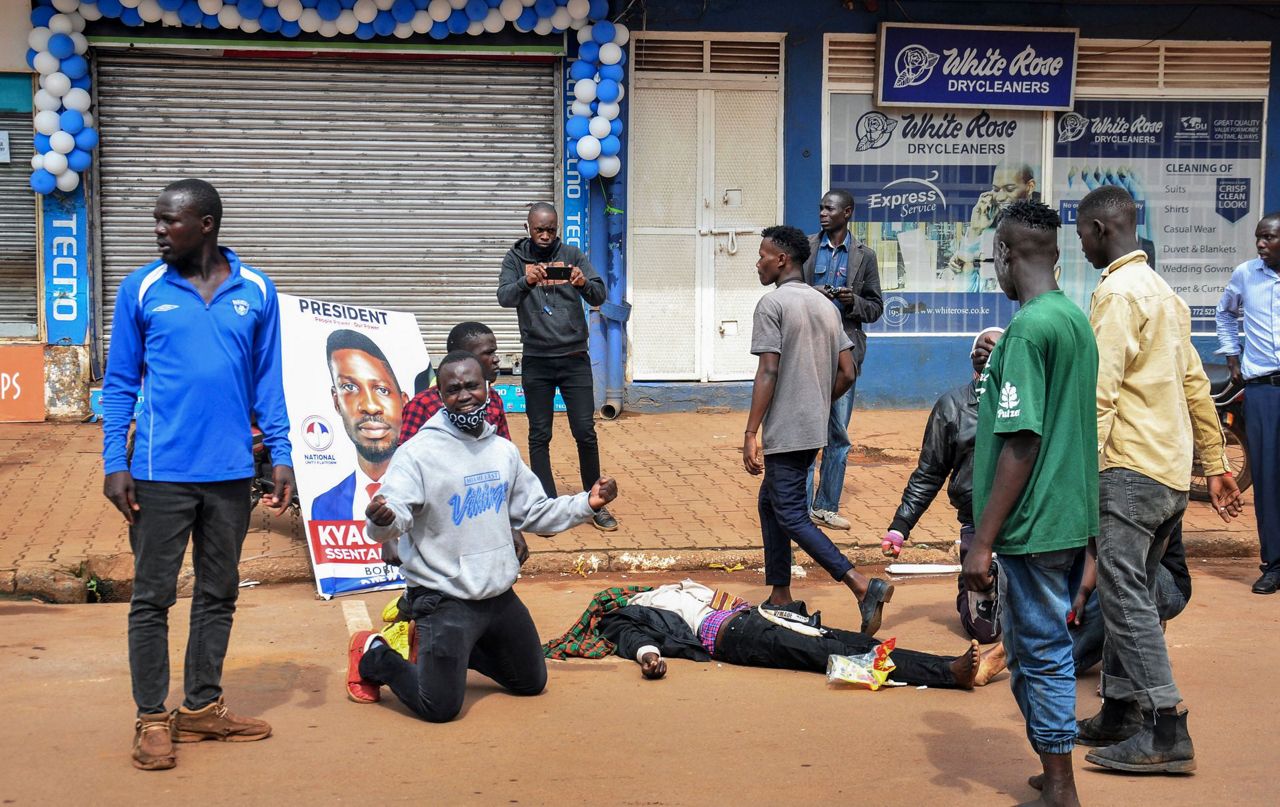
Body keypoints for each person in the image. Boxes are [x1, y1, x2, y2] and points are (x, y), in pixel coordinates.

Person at [101, 179, 295, 771]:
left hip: (232, 473)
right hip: (158, 472)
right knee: (152, 598)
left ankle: (202, 708)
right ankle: (152, 718)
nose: (158, 231)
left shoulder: (257, 290)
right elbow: (119, 385)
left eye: (169, 221)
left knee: (219, 593)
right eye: (157, 220)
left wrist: (281, 453)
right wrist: (115, 462)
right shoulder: (143, 288)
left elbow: (268, 380)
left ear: (205, 224)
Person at [344, 351, 618, 723]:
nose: (465, 395)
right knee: (439, 707)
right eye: (453, 389)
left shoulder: (502, 450)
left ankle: (453, 653)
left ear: (487, 386)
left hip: (497, 596)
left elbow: (534, 512)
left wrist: (587, 503)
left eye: (472, 385)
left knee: (530, 682)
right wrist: (382, 521)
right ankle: (373, 654)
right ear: (440, 395)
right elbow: (395, 516)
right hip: (444, 598)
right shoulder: (417, 455)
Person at [1073, 185, 1240, 775]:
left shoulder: (1116, 294)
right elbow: (1198, 384)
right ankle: (1119, 709)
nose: (1081, 246)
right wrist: (1215, 465)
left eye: (1081, 234)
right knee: (1133, 594)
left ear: (1098, 229)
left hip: (1127, 470)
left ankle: (1166, 727)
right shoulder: (1166, 294)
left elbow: (1099, 394)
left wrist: (1077, 476)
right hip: (1167, 474)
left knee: (1124, 600)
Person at [962, 200, 1098, 806]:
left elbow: (1023, 439)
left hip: (1032, 524)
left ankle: (1062, 785)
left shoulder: (1027, 331)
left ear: (1004, 256)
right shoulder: (1073, 320)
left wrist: (983, 540)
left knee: (1040, 654)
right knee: (1027, 649)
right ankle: (1055, 765)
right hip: (1068, 516)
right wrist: (1092, 536)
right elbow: (1082, 430)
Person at [743, 225, 894, 635]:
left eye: (762, 255)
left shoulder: (771, 305)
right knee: (770, 504)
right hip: (812, 427)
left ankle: (861, 585)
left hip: (786, 429)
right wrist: (819, 400)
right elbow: (848, 370)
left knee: (791, 512)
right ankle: (779, 595)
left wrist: (750, 432)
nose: (757, 262)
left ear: (782, 260)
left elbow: (768, 369)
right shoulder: (825, 305)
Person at [585, 581, 1005, 689]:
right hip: (736, 639)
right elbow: (635, 643)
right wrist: (649, 660)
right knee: (836, 657)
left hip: (764, 619)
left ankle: (953, 667)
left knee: (857, 644)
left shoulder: (675, 589)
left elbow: (726, 598)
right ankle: (952, 675)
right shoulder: (623, 614)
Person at [496, 202, 615, 531]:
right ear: (528, 228)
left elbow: (599, 296)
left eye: (551, 230)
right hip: (537, 359)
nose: (546, 236)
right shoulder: (515, 258)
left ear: (558, 228)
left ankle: (595, 505)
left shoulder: (573, 254)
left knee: (585, 433)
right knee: (539, 435)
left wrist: (581, 283)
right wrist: (526, 281)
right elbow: (504, 296)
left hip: (575, 358)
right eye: (540, 230)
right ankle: (545, 505)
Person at [882, 327, 1003, 644]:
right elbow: (930, 472)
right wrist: (900, 526)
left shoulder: (1022, 402)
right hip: (976, 522)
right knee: (987, 632)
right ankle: (970, 583)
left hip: (1021, 524)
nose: (987, 353)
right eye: (981, 348)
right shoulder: (952, 407)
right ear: (971, 359)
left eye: (996, 349)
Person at [395, 320, 527, 566]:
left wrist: (512, 527)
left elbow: (507, 474)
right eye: (488, 353)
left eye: (495, 351)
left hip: (484, 521)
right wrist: (390, 535)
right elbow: (401, 474)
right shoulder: (422, 406)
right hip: (440, 526)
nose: (497, 359)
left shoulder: (494, 401)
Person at [801, 190, 883, 531]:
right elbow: (788, 292)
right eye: (820, 207)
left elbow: (876, 308)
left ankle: (825, 507)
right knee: (805, 432)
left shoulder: (865, 256)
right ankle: (800, 510)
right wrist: (812, 294)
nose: (822, 213)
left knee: (838, 434)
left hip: (844, 357)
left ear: (847, 213)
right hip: (807, 353)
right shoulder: (805, 248)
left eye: (829, 208)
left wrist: (853, 302)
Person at [1216, 212, 1280, 595]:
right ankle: (1274, 563)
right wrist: (1231, 354)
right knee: (1268, 479)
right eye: (1259, 237)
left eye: (1269, 238)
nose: (1261, 244)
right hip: (1263, 390)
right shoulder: (1245, 275)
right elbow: (1225, 313)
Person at [310, 329, 409, 522]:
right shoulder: (323, 506)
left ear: (404, 402)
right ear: (336, 402)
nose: (370, 407)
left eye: (382, 389)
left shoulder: (429, 494)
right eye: (350, 388)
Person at [947, 162, 1038, 291]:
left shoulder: (1044, 231)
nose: (1000, 197)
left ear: (1030, 186)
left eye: (1010, 189)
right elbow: (970, 293)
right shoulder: (991, 231)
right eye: (995, 190)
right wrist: (975, 230)